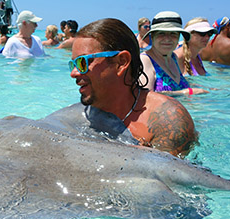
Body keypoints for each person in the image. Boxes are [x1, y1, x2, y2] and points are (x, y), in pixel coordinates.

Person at [69, 18, 197, 156]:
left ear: (121, 62)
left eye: (83, 62)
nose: (73, 73)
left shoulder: (168, 121)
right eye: (73, 64)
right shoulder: (80, 115)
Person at [140, 11, 207, 96]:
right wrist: (185, 92)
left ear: (179, 37)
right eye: (161, 34)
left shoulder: (173, 57)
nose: (167, 39)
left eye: (173, 34)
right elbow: (144, 96)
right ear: (152, 36)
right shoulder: (145, 60)